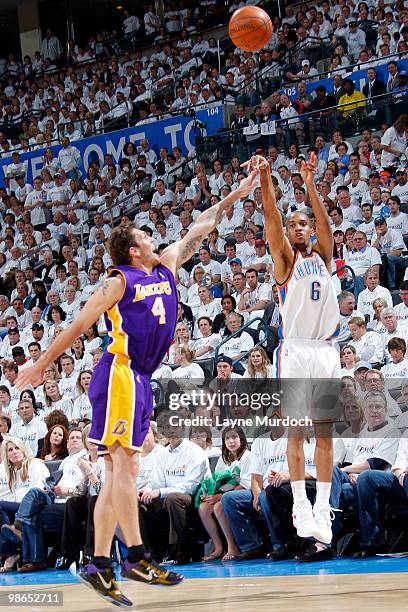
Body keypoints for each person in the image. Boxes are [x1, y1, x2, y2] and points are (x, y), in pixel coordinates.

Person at [15, 169, 258, 606]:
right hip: (120, 372)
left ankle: (99, 563)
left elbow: (201, 226)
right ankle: (137, 556)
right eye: (146, 237)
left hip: (142, 378)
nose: (154, 239)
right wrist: (42, 363)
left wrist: (238, 193)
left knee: (116, 473)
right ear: (133, 250)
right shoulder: (120, 281)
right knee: (124, 467)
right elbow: (80, 322)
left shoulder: (165, 266)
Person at [247, 152, 340, 546]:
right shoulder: (284, 260)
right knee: (297, 429)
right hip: (297, 349)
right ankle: (300, 501)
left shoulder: (325, 257)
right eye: (293, 225)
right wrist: (267, 178)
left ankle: (322, 505)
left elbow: (326, 224)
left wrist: (309, 182)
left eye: (304, 224)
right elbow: (270, 214)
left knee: (325, 434)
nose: (300, 228)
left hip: (327, 350)